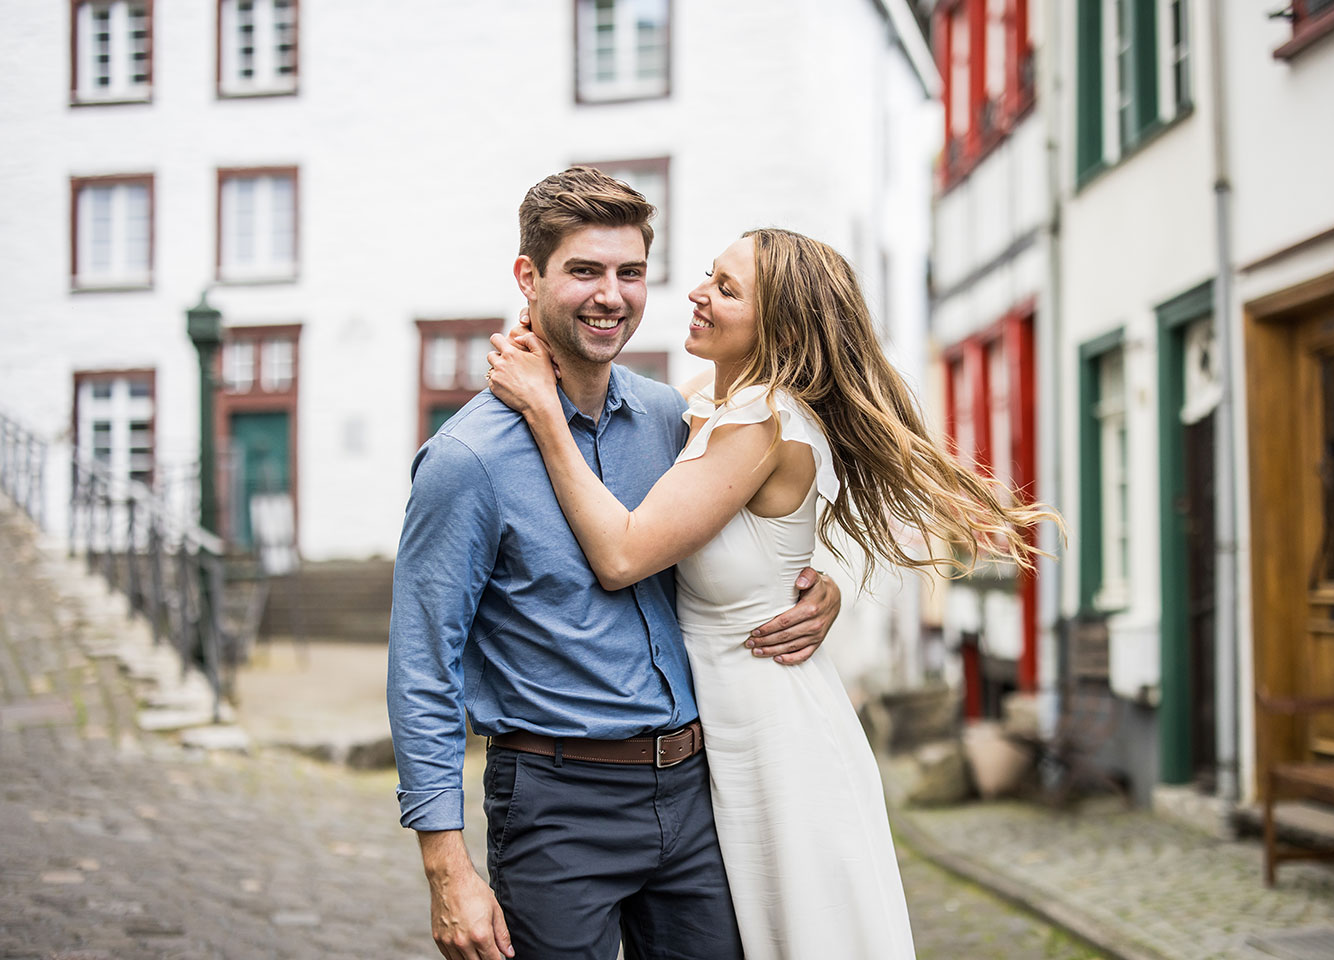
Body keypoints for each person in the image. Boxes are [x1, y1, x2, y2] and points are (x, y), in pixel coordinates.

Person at [487, 227, 1058, 959]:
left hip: (773, 732)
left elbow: (625, 553)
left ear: (779, 327)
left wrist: (542, 413)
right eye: (707, 276)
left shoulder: (760, 421)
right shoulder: (720, 407)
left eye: (727, 289)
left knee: (802, 933)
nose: (697, 293)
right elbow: (833, 509)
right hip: (720, 728)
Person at [386, 168, 842, 960]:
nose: (612, 296)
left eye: (630, 273)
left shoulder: (669, 416)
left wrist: (815, 584)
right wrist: (445, 866)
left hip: (696, 792)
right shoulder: (466, 460)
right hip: (559, 807)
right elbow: (423, 666)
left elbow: (751, 512)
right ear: (529, 278)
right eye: (585, 271)